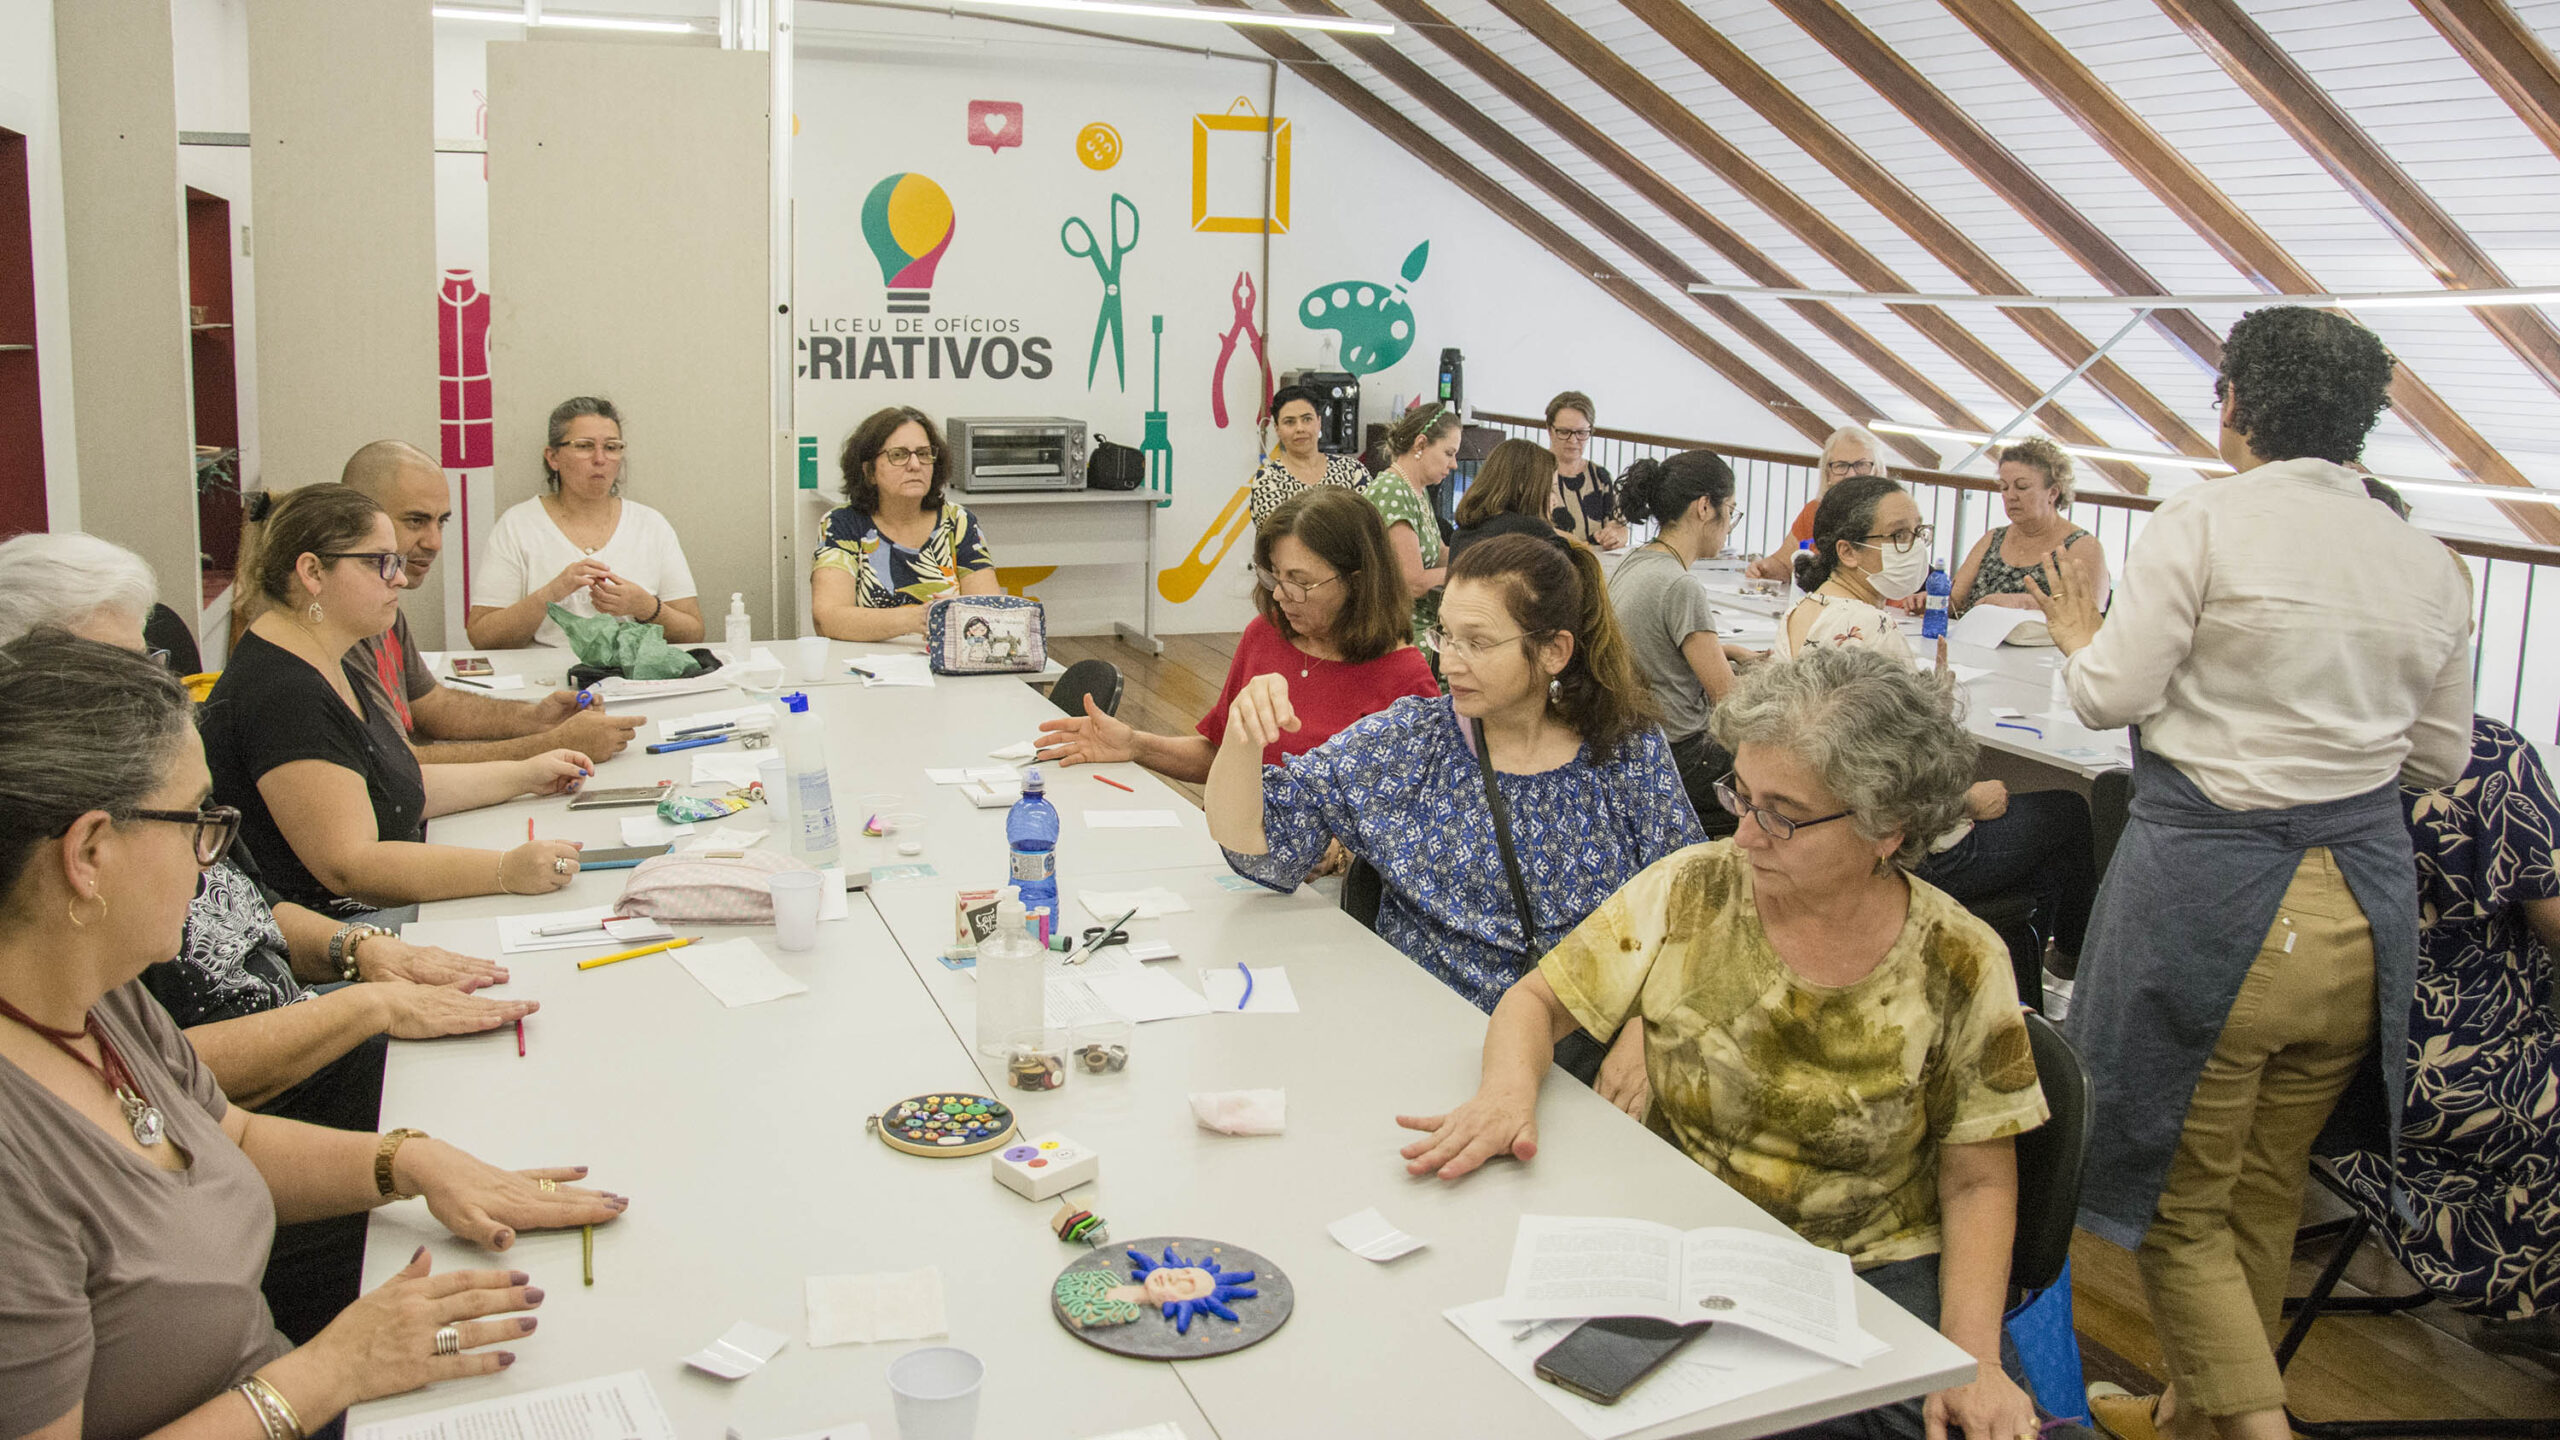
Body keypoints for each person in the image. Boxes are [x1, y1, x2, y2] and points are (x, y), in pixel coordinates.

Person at [1396, 646, 2050, 1440]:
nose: (1744, 835)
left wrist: (1973, 1353)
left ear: (1889, 828)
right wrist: (1505, 1095)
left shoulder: (1958, 959)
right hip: (1686, 1239)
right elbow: (1534, 1004)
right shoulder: (1693, 889)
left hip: (1866, 1270)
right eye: (1740, 795)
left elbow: (1980, 1183)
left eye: (1781, 813)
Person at [2024, 306, 2473, 1440]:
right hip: (2362, 910)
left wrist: (2080, 633)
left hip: (2220, 907)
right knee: (2266, 1188)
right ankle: (2187, 1418)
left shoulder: (2205, 520)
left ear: (2233, 403)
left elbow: (2110, 696)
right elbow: (2439, 755)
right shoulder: (2424, 556)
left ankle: (2255, 1428)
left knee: (2178, 1205)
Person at [0, 631, 628, 1440]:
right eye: (197, 823)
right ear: (88, 853)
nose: (209, 866)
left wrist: (407, 1160)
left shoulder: (97, 999)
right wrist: (331, 1370)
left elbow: (231, 1136)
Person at [1206, 532, 1703, 1071]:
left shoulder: (1626, 751)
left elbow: (1693, 904)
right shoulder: (1411, 743)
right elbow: (1259, 847)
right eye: (1445, 634)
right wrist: (1242, 737)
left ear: (1554, 650)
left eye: (1478, 642)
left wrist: (1644, 1029)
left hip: (1587, 1058)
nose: (1450, 663)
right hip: (1427, 1047)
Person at [201, 486, 591, 921]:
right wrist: (505, 870)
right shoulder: (285, 693)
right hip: (335, 929)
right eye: (381, 563)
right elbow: (352, 867)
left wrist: (525, 775)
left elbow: (393, 785)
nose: (400, 578)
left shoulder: (324, 654)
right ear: (312, 572)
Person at [1779, 476, 2100, 977]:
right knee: (2070, 813)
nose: (1916, 547)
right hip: (1897, 853)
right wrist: (1968, 800)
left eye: (1919, 532)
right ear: (1848, 551)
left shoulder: (1806, 609)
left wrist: (1927, 703)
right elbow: (1880, 783)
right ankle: (2067, 959)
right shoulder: (1872, 627)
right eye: (1899, 536)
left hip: (1824, 839)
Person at [2326, 716, 2560, 1367]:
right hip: (2455, 1081)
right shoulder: (2480, 756)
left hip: (2316, 1069)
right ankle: (2536, 1298)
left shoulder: (2277, 738)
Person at [1034, 488, 1436, 782]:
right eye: (1274, 576)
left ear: (1358, 582)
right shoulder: (1266, 635)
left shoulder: (1406, 680)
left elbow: (1406, 821)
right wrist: (1136, 744)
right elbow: (1220, 754)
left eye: (1300, 582)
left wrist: (1337, 856)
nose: (1280, 594)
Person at [333, 441, 641, 762]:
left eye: (441, 522)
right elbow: (397, 767)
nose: (435, 542)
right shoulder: (338, 621)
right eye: (415, 521)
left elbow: (431, 704)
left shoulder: (384, 599)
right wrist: (553, 745)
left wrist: (535, 718)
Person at [466, 397, 704, 649]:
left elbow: (693, 632)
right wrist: (551, 594)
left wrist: (644, 606)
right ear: (553, 457)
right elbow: (482, 636)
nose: (600, 459)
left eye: (612, 447)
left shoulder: (651, 525)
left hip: (634, 681)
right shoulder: (519, 524)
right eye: (584, 446)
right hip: (543, 682)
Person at [1611, 451, 1750, 837]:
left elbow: (1653, 647)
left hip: (1639, 744)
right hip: (1682, 755)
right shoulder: (1680, 585)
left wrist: (1730, 653)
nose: (1729, 526)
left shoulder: (1636, 561)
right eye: (1731, 511)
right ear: (1705, 507)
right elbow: (1730, 701)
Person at [812, 406, 1001, 643]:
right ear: (869, 471)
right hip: (868, 667)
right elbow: (828, 619)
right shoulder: (842, 524)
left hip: (946, 666)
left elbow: (989, 612)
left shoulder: (958, 521)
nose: (915, 465)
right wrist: (918, 618)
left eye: (923, 454)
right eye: (899, 455)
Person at [1948, 437, 2108, 618]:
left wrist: (2023, 602)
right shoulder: (1993, 539)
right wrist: (1931, 600)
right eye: (2004, 487)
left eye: (2022, 487)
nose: (2010, 496)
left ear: (2053, 492)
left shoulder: (2082, 546)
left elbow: (2089, 613)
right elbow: (1955, 600)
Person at [1362, 402, 1459, 642]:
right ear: (1421, 444)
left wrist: (1481, 555)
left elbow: (1437, 553)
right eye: (1449, 453)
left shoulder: (1416, 489)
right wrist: (1469, 570)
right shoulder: (1392, 490)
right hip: (1398, 630)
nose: (1454, 464)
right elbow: (1412, 583)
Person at [1745, 423, 1883, 583]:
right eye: (1841, 466)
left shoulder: (1890, 518)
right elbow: (1784, 564)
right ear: (1828, 474)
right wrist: (1764, 569)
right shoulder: (1814, 511)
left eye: (1862, 465)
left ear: (1877, 472)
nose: (1851, 474)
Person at [1248, 383, 1369, 526]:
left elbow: (1370, 525)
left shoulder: (1352, 470)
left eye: (1307, 419)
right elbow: (1279, 534)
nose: (1299, 428)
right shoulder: (1268, 479)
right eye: (1289, 422)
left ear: (1319, 422)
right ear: (1277, 429)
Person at [1448, 437, 1560, 562]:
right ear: (1523, 487)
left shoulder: (1461, 534)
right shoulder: (1535, 533)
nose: (1556, 501)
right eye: (1550, 490)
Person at [1542, 391, 1626, 549]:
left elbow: (1617, 523)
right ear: (1549, 429)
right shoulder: (1533, 474)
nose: (1573, 440)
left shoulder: (1600, 476)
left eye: (1581, 433)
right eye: (1564, 432)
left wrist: (1617, 534)